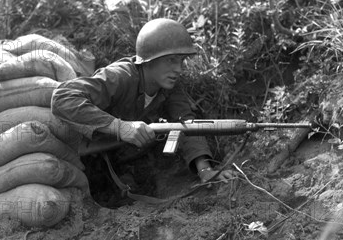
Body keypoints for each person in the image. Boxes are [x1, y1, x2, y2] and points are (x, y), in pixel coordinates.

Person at [51, 18, 235, 203]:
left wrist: (205, 170)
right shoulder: (120, 77)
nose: (178, 69)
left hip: (121, 159)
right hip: (86, 157)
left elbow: (186, 124)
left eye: (181, 61)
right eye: (171, 60)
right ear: (148, 61)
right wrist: (119, 127)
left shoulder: (170, 86)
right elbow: (63, 98)